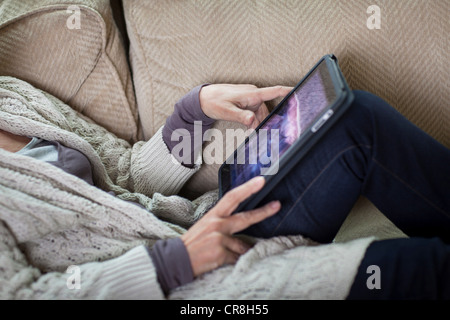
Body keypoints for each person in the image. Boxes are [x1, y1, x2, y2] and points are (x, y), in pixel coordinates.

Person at [0, 77, 449, 299]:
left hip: (199, 228)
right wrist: (174, 262)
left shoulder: (10, 98)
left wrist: (194, 113)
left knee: (354, 119)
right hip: (179, 288)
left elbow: (127, 173)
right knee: (427, 267)